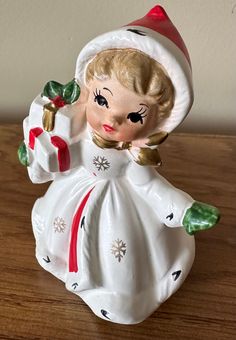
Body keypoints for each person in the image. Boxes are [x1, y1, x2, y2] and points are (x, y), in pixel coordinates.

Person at [18, 5, 219, 324]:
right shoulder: (80, 133)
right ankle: (60, 260)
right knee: (57, 231)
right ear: (88, 92)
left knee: (118, 257)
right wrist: (37, 152)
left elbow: (151, 187)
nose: (111, 118)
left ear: (157, 121)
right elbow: (60, 159)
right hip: (74, 192)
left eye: (135, 115)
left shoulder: (133, 156)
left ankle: (113, 292)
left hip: (116, 207)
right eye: (102, 100)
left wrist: (184, 210)